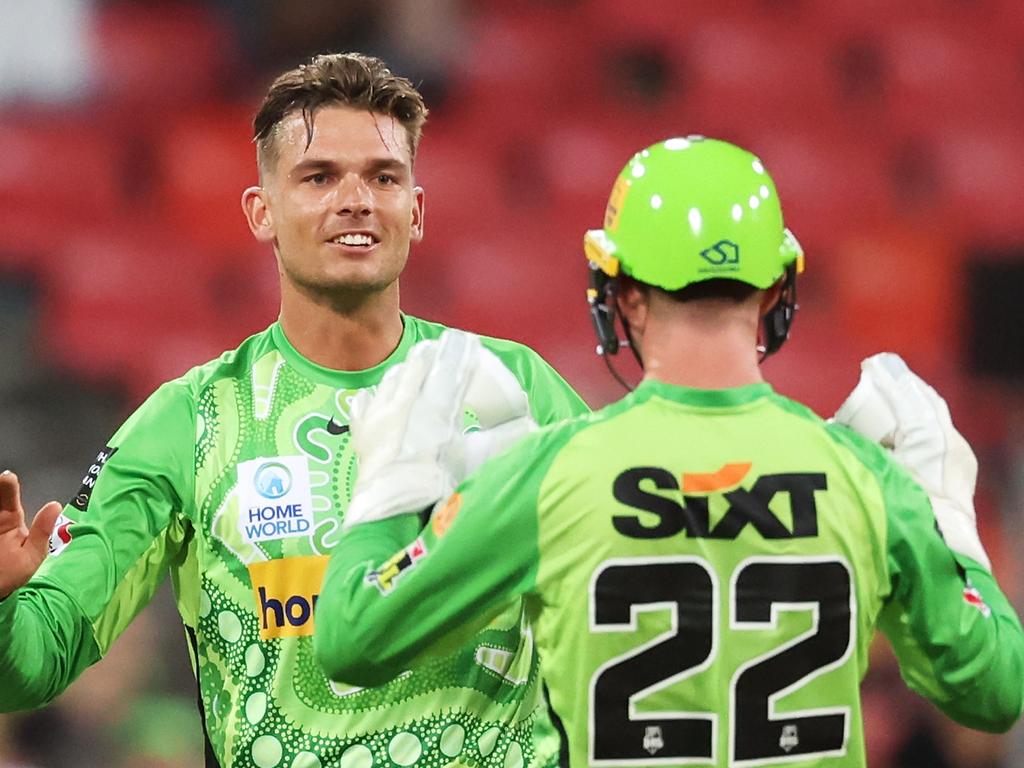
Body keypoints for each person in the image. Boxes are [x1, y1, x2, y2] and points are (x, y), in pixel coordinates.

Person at [313, 137, 1024, 766]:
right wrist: (948, 520)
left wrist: (388, 494)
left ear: (620, 291)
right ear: (778, 286)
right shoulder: (865, 476)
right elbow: (995, 691)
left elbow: (350, 640)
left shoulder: (548, 472)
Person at [0, 52, 589, 767]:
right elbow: (28, 668)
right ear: (262, 211)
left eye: (383, 177)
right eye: (318, 177)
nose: (356, 199)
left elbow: (623, 598)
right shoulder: (188, 421)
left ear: (417, 210)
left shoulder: (515, 389)